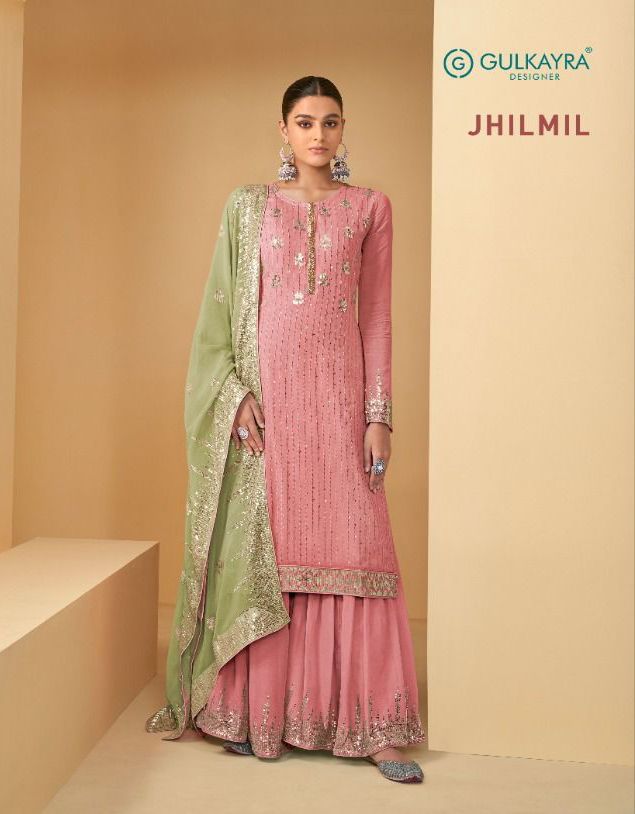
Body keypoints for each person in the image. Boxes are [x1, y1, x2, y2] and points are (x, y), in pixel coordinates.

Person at [146, 75, 425, 784]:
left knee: (356, 548)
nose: (318, 135)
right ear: (283, 130)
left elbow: (377, 317)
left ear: (343, 129)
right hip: (269, 405)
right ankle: (252, 713)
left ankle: (374, 728)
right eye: (305, 122)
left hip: (340, 403)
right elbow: (220, 314)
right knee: (270, 552)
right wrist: (234, 395)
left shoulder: (370, 208)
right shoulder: (249, 207)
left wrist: (378, 414)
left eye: (330, 122)